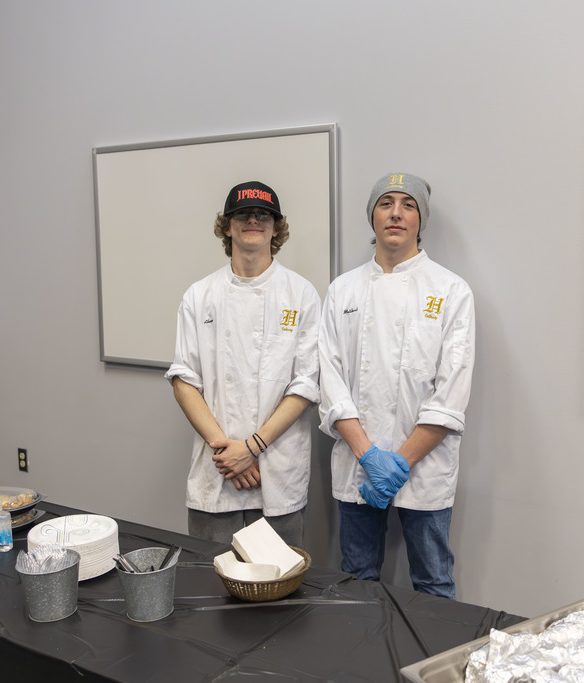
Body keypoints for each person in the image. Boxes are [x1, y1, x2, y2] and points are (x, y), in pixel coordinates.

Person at [318, 172, 475, 599]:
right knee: (356, 579)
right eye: (386, 203)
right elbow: (331, 381)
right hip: (357, 462)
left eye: (408, 205)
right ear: (372, 216)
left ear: (421, 219)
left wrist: (398, 463)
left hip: (424, 465)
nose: (396, 214)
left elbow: (451, 393)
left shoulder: (451, 290)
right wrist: (369, 456)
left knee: (433, 582)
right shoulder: (342, 290)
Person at [165, 181, 320, 548]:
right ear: (227, 226)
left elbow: (305, 385)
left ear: (276, 227)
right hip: (218, 471)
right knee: (211, 575)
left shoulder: (301, 294)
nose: (253, 220)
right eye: (243, 214)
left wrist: (251, 448)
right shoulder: (199, 295)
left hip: (276, 473)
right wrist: (227, 452)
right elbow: (184, 380)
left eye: (263, 214)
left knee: (279, 577)